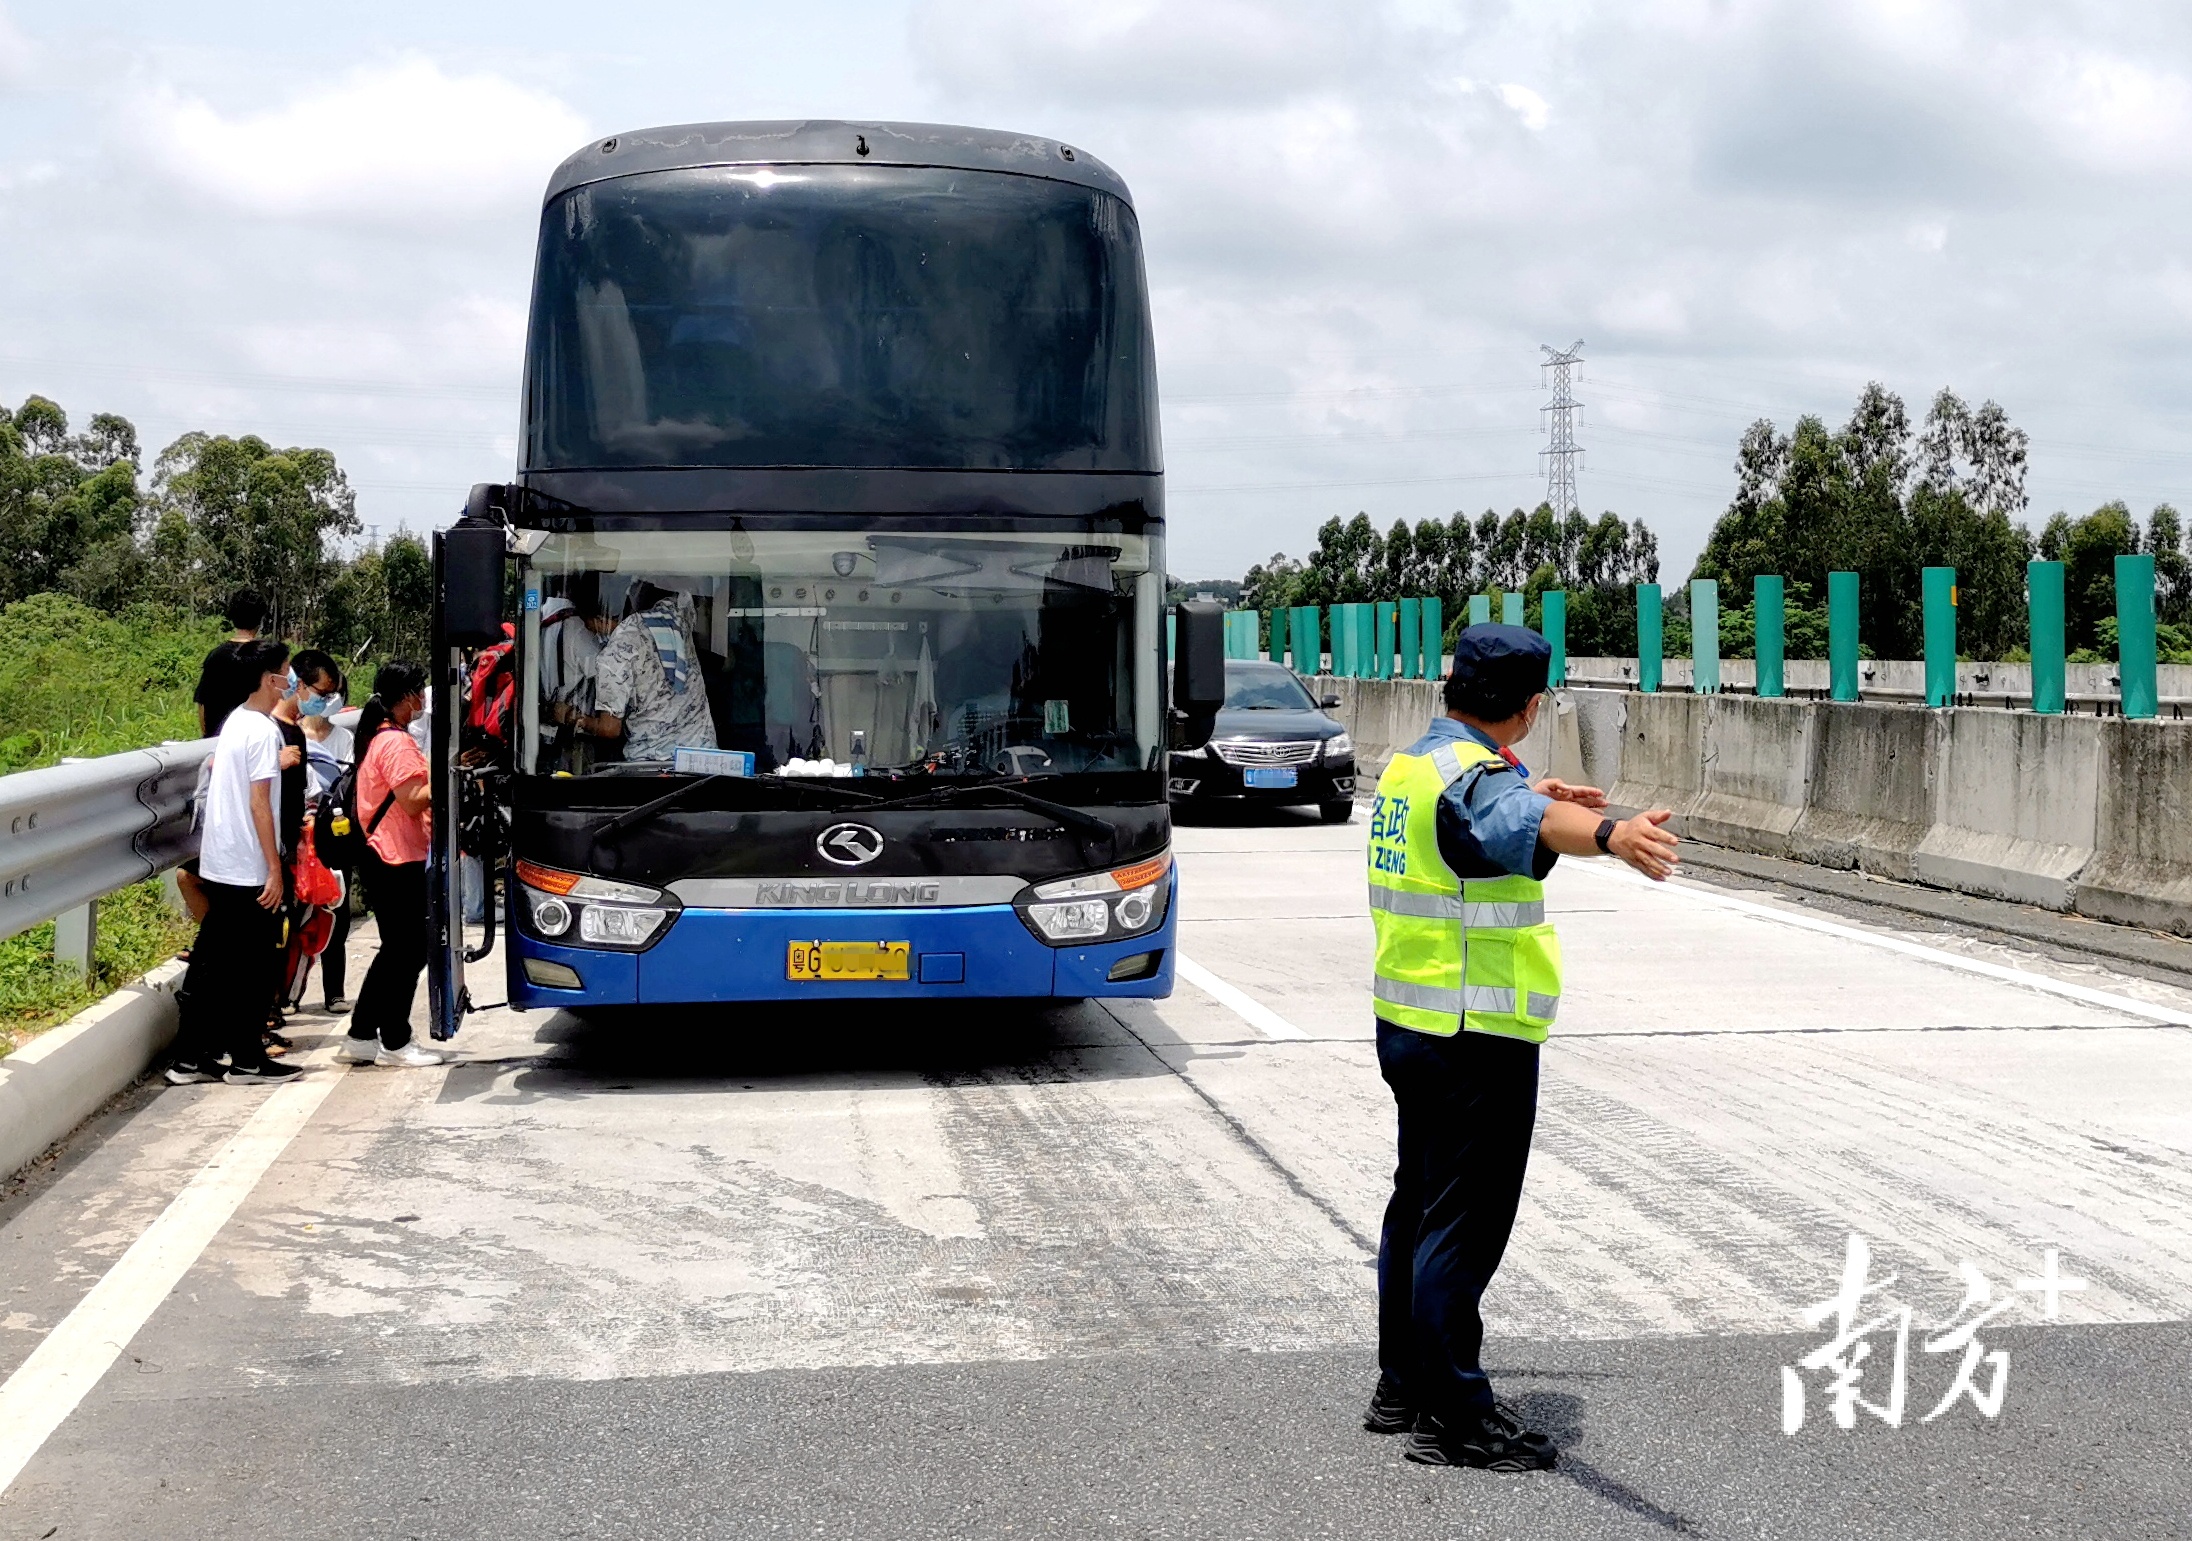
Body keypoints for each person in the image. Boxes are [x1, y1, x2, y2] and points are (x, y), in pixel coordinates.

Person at [1362, 624, 1679, 1470]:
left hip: (1410, 1025)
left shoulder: (1414, 766)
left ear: (1455, 690)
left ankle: (1403, 1385)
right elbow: (1506, 816)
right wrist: (1610, 832)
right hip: (1475, 1037)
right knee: (1460, 1232)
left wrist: (1535, 792)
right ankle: (1456, 1416)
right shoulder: (1479, 783)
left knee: (1416, 1207)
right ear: (1531, 705)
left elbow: (1484, 814)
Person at [166, 638, 309, 1087]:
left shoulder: (234, 722)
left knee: (216, 960)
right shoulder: (265, 731)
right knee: (254, 966)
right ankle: (246, 1059)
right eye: (287, 673)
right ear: (270, 680)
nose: (291, 682)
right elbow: (260, 804)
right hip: (249, 866)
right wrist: (273, 868)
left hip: (221, 860)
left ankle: (192, 1057)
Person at [341, 661, 446, 1068]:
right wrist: (447, 773)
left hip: (385, 855)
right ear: (405, 697)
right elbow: (412, 798)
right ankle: (395, 1040)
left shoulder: (381, 737)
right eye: (419, 691)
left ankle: (364, 1032)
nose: (423, 699)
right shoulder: (396, 743)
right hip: (395, 856)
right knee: (407, 951)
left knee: (397, 950)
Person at [178, 588, 272, 922]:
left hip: (217, 759)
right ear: (262, 618)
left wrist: (210, 741)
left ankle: (215, 936)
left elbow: (203, 710)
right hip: (256, 762)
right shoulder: (265, 658)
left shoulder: (215, 657)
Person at [558, 581, 716, 761]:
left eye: (588, 625)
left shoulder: (614, 656)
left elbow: (609, 729)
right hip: (702, 752)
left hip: (653, 761)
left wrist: (572, 717)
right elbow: (686, 596)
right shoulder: (672, 614)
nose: (591, 632)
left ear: (599, 619)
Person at [294, 650, 354, 1015]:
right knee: (299, 912)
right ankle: (290, 992)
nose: (327, 699)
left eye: (332, 692)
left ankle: (335, 991)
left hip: (334, 834)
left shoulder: (343, 739)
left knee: (337, 908)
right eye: (322, 691)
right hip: (302, 836)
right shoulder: (290, 735)